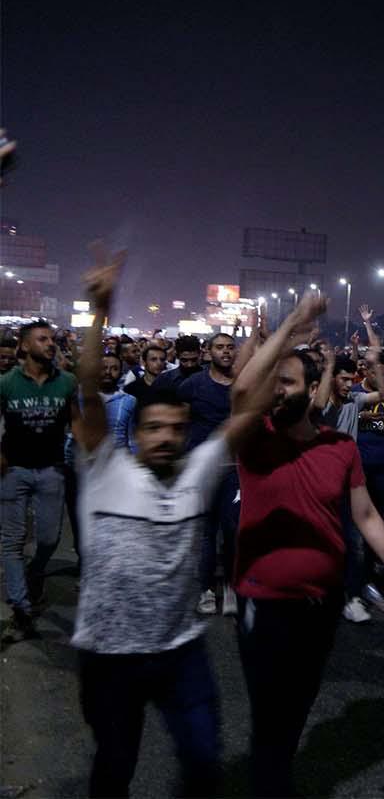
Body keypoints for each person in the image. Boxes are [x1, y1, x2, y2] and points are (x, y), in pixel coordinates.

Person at [67, 246, 262, 797]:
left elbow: (247, 409)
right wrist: (98, 310)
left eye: (175, 429)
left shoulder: (198, 471)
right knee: (115, 764)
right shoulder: (106, 468)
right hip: (108, 657)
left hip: (181, 653)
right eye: (153, 428)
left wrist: (282, 334)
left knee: (204, 763)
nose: (165, 438)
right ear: (138, 431)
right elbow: (87, 389)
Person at [231, 292, 384, 797]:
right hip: (262, 597)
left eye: (286, 383)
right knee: (270, 706)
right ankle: (270, 782)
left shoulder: (341, 446)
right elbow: (245, 387)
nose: (275, 392)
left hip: (321, 599)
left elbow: (365, 513)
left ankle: (276, 769)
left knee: (299, 699)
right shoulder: (256, 437)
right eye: (274, 384)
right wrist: (291, 324)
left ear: (315, 390)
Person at [0, 320, 78, 638]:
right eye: (42, 339)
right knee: (12, 541)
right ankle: (21, 607)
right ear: (24, 346)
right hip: (14, 470)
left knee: (49, 538)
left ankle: (35, 574)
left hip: (51, 470)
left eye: (52, 339)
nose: (50, 344)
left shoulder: (67, 382)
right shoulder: (7, 383)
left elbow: (76, 421)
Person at [180, 333, 242, 617]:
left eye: (230, 347)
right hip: (202, 470)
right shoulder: (193, 385)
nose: (226, 352)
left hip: (234, 469)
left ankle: (230, 585)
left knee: (232, 530)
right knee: (206, 532)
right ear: (208, 352)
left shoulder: (244, 385)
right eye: (220, 347)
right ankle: (205, 589)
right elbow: (180, 425)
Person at [96, 353, 138, 452]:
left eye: (114, 369)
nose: (108, 372)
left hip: (118, 461)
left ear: (120, 373)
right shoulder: (83, 397)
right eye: (104, 368)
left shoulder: (129, 401)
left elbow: (132, 438)